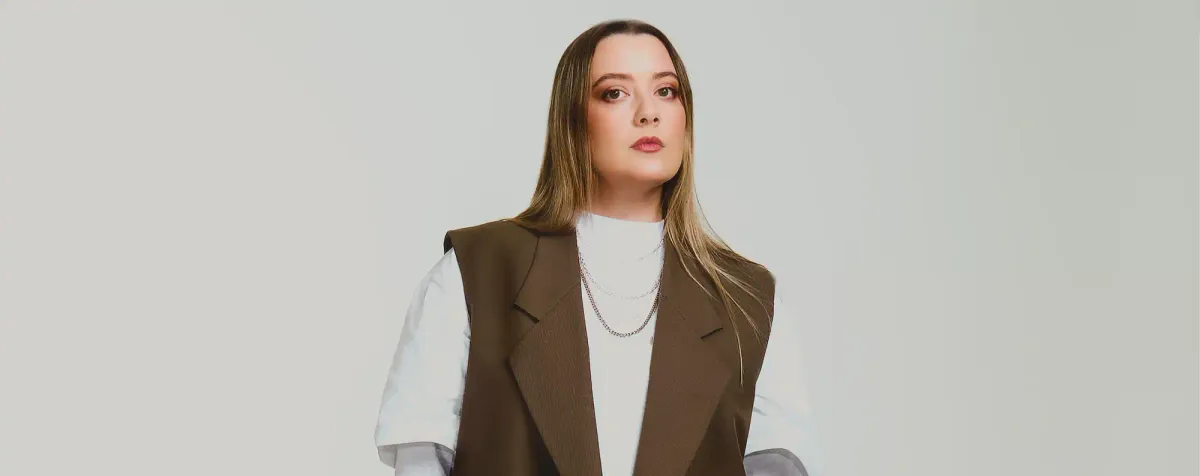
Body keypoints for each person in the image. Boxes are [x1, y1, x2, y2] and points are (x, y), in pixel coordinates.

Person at [373, 19, 825, 476]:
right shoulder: (478, 271)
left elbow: (776, 465)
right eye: (615, 93)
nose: (648, 113)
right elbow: (421, 460)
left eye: (666, 91)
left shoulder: (748, 300)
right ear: (572, 119)